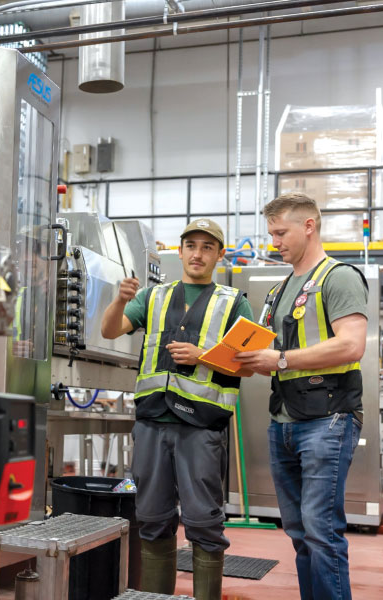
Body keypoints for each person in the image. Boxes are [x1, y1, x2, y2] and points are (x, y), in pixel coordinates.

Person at [102, 219, 253, 600]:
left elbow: (249, 362)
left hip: (201, 428)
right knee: (152, 518)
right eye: (191, 245)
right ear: (180, 250)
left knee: (204, 521)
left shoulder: (233, 302)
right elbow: (109, 330)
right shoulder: (153, 297)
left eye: (206, 247)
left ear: (219, 254)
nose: (197, 253)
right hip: (153, 422)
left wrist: (203, 356)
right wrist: (120, 299)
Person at [235, 193, 365, 600]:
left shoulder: (338, 277)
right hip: (285, 422)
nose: (274, 242)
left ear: (309, 226)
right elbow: (270, 354)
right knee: (299, 531)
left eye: (280, 232)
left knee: (321, 532)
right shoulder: (279, 290)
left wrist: (282, 359)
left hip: (328, 418)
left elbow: (351, 346)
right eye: (271, 233)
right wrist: (241, 360)